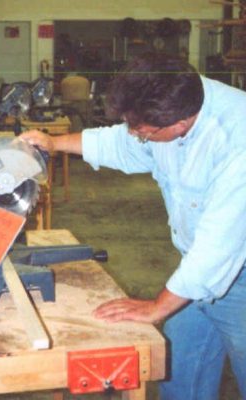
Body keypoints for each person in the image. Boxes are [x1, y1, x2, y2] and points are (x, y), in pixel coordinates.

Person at [21, 53, 246, 400]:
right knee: (179, 370)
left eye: (143, 132)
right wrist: (54, 143)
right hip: (200, 270)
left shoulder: (236, 141)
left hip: (234, 268)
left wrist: (158, 306)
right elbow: (121, 144)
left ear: (181, 124)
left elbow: (219, 246)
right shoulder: (175, 103)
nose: (135, 136)